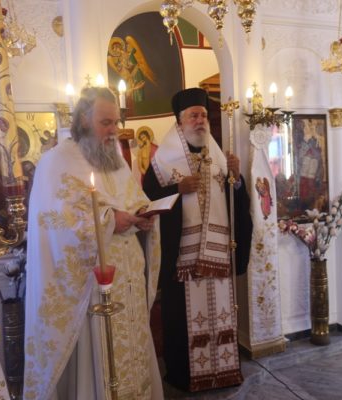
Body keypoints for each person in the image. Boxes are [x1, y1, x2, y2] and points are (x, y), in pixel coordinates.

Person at [23, 86, 163, 400]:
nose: (114, 130)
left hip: (127, 278)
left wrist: (142, 215)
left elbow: (133, 198)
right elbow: (58, 224)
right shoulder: (57, 162)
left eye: (116, 122)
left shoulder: (115, 159)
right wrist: (111, 220)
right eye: (105, 123)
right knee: (102, 357)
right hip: (92, 284)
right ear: (84, 120)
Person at [143, 88, 252, 392]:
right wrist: (176, 188)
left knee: (220, 314)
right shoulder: (162, 162)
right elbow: (147, 200)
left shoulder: (218, 157)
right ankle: (185, 376)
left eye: (203, 115)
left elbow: (236, 202)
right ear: (180, 121)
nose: (200, 120)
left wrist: (236, 179)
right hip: (182, 259)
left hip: (218, 255)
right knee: (182, 320)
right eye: (194, 115)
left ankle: (223, 371)